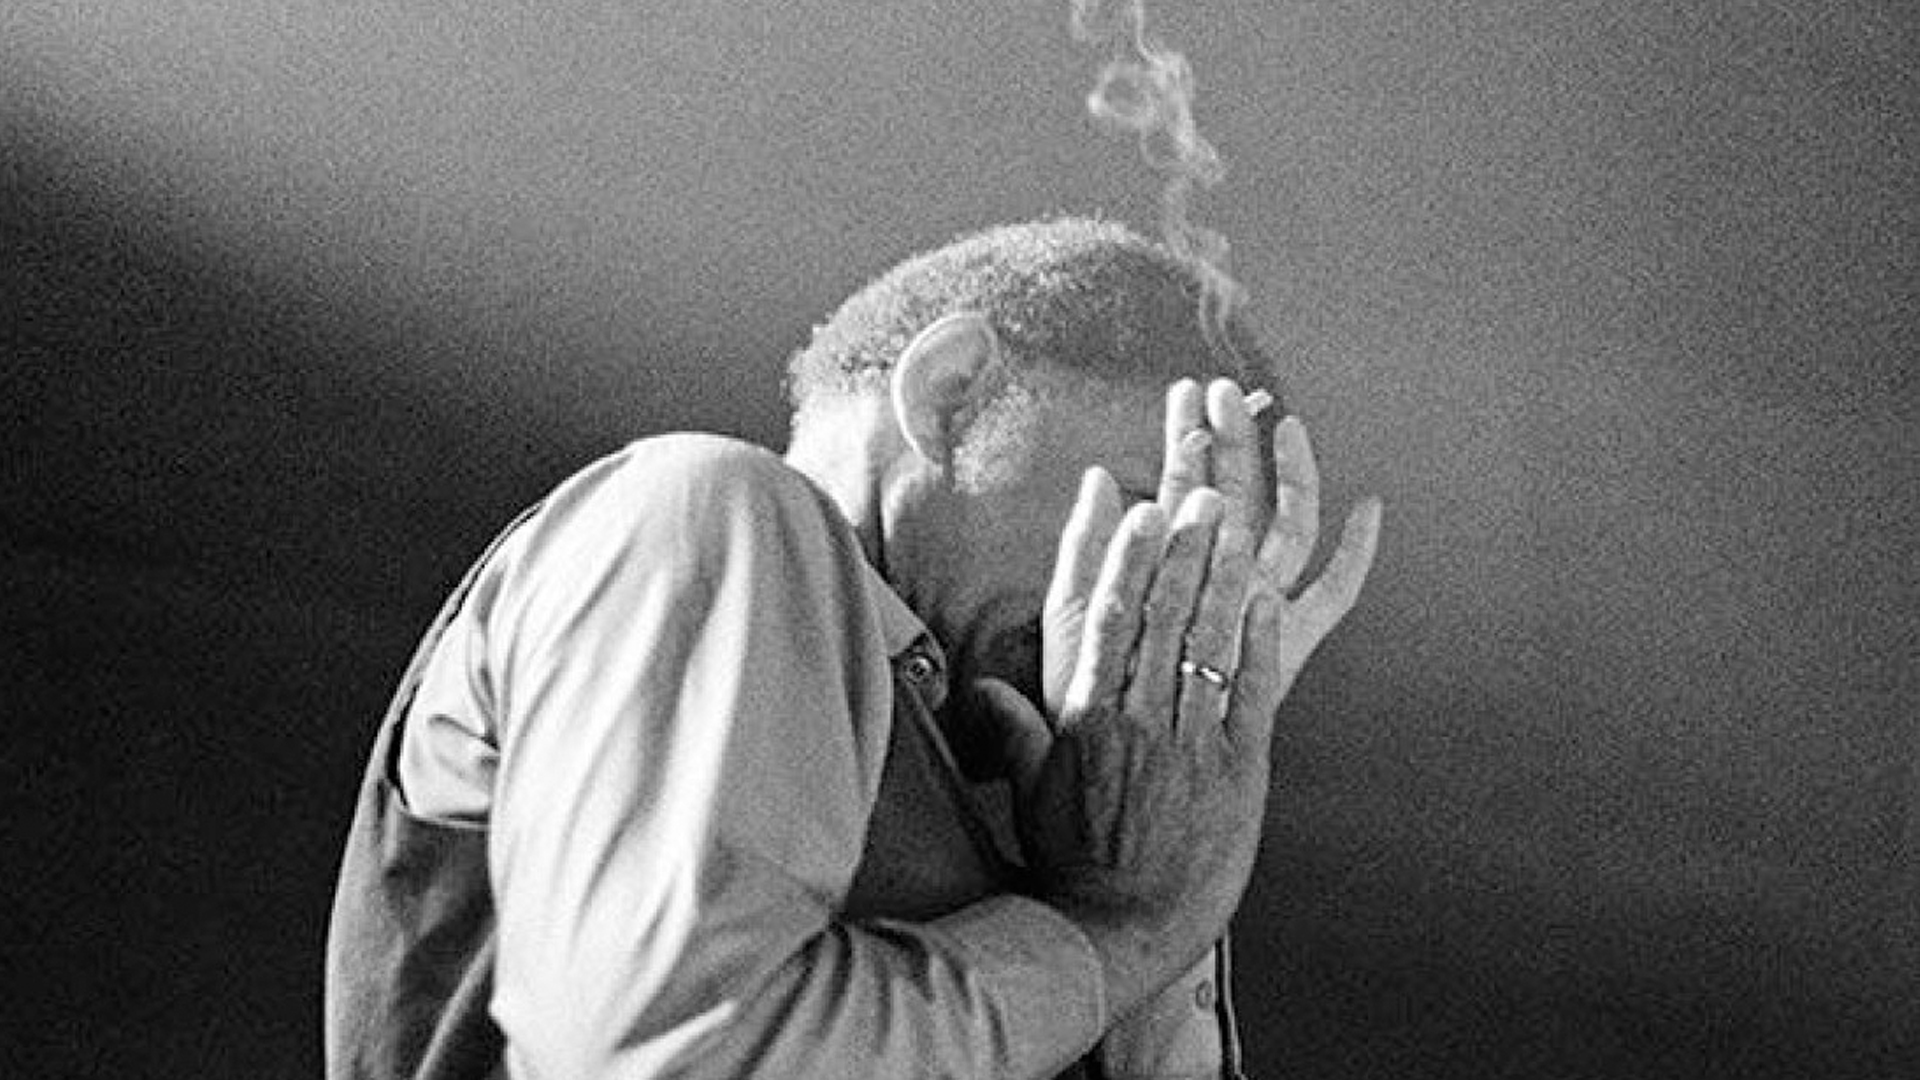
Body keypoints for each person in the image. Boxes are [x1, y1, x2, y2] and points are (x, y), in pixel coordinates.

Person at [324, 217, 1381, 1080]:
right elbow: (674, 1060)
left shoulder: (1011, 787)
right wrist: (1123, 928)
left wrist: (1172, 829)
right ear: (954, 392)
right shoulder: (708, 508)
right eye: (1153, 517)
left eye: (1211, 576)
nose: (1156, 603)